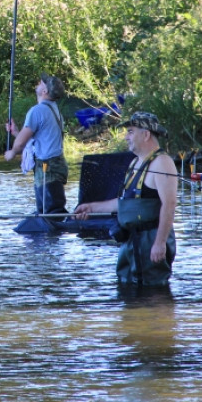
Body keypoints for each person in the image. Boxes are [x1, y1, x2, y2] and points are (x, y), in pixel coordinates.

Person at [74, 111, 177, 285]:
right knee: (127, 292)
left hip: (150, 242)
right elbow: (124, 203)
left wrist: (159, 243)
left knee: (153, 295)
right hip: (129, 242)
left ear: (146, 134)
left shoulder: (162, 162)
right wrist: (91, 207)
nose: (125, 137)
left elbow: (169, 205)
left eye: (130, 131)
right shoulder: (134, 163)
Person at [4, 74, 69, 215]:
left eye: (42, 83)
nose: (39, 83)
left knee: (50, 214)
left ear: (45, 91)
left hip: (48, 168)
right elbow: (40, 138)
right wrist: (16, 132)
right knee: (48, 211)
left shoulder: (37, 111)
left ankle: (53, 236)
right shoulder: (53, 109)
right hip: (54, 166)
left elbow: (21, 143)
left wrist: (12, 152)